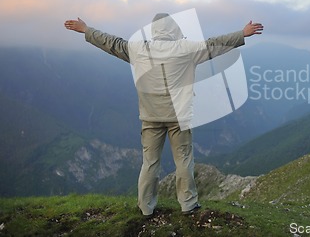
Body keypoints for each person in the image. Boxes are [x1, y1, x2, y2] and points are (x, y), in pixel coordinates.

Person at [64, 14, 264, 217]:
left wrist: (86, 30)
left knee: (150, 162)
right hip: (179, 117)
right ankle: (188, 204)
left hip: (150, 116)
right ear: (173, 29)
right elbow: (215, 44)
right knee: (184, 160)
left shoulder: (138, 49)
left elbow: (112, 43)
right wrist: (242, 34)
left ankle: (145, 207)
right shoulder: (187, 49)